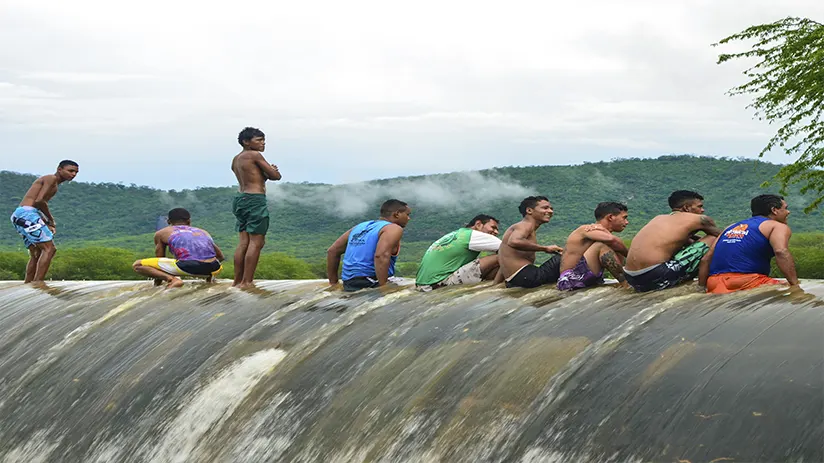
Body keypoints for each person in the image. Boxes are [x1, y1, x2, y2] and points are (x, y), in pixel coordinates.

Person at [623, 190, 721, 292]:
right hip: (655, 275)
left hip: (631, 278)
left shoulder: (658, 218)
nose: (702, 210)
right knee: (712, 238)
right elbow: (725, 237)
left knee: (692, 242)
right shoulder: (700, 219)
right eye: (699, 206)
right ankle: (708, 282)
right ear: (686, 207)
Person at [705, 194, 799, 294]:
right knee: (790, 287)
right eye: (785, 208)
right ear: (774, 210)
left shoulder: (730, 227)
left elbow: (706, 258)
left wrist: (702, 287)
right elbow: (781, 251)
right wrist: (795, 284)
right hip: (748, 281)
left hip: (713, 282)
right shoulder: (777, 226)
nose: (788, 212)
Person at [10, 160, 79, 283]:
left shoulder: (54, 184)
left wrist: (44, 220)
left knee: (36, 253)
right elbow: (39, 201)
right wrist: (51, 220)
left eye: (76, 172)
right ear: (59, 169)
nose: (73, 174)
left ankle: (28, 283)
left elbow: (37, 204)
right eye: (70, 171)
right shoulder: (51, 178)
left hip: (21, 215)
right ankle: (38, 283)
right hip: (27, 214)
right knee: (49, 249)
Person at [231, 127, 282, 288]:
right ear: (246, 142)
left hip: (241, 199)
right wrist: (273, 171)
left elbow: (255, 178)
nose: (263, 143)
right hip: (255, 200)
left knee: (243, 242)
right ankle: (247, 282)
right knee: (257, 242)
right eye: (258, 140)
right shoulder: (254, 155)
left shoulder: (236, 159)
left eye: (263, 140)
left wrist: (266, 174)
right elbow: (275, 177)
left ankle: (237, 281)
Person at [327, 199, 411, 292]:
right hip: (371, 281)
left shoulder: (359, 227)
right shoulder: (393, 228)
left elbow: (332, 251)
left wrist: (334, 284)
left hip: (348, 282)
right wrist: (384, 288)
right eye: (407, 214)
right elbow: (381, 255)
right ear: (397, 214)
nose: (408, 218)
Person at [132, 208, 225, 288]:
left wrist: (157, 285)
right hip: (214, 268)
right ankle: (209, 280)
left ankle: (172, 280)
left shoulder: (161, 233)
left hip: (188, 266)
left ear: (168, 221)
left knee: (138, 265)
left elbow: (159, 259)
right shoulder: (203, 232)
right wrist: (208, 273)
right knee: (208, 261)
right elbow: (220, 256)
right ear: (189, 221)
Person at [415, 214, 502, 291]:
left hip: (423, 285)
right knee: (502, 256)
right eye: (493, 227)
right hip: (438, 283)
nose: (496, 232)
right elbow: (508, 248)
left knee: (498, 265)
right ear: (478, 224)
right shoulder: (473, 235)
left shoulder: (458, 234)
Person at [557, 202, 630, 291]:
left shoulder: (604, 234)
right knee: (602, 245)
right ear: (610, 217)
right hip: (570, 279)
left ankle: (625, 281)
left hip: (589, 279)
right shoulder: (586, 229)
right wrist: (632, 257)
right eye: (624, 218)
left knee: (617, 248)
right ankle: (626, 283)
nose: (627, 222)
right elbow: (612, 240)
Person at [498, 196, 565, 288]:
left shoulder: (521, 227)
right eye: (545, 208)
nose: (550, 211)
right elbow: (514, 241)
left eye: (551, 208)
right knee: (569, 253)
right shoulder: (525, 225)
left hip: (517, 280)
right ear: (529, 210)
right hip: (528, 277)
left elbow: (504, 257)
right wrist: (545, 248)